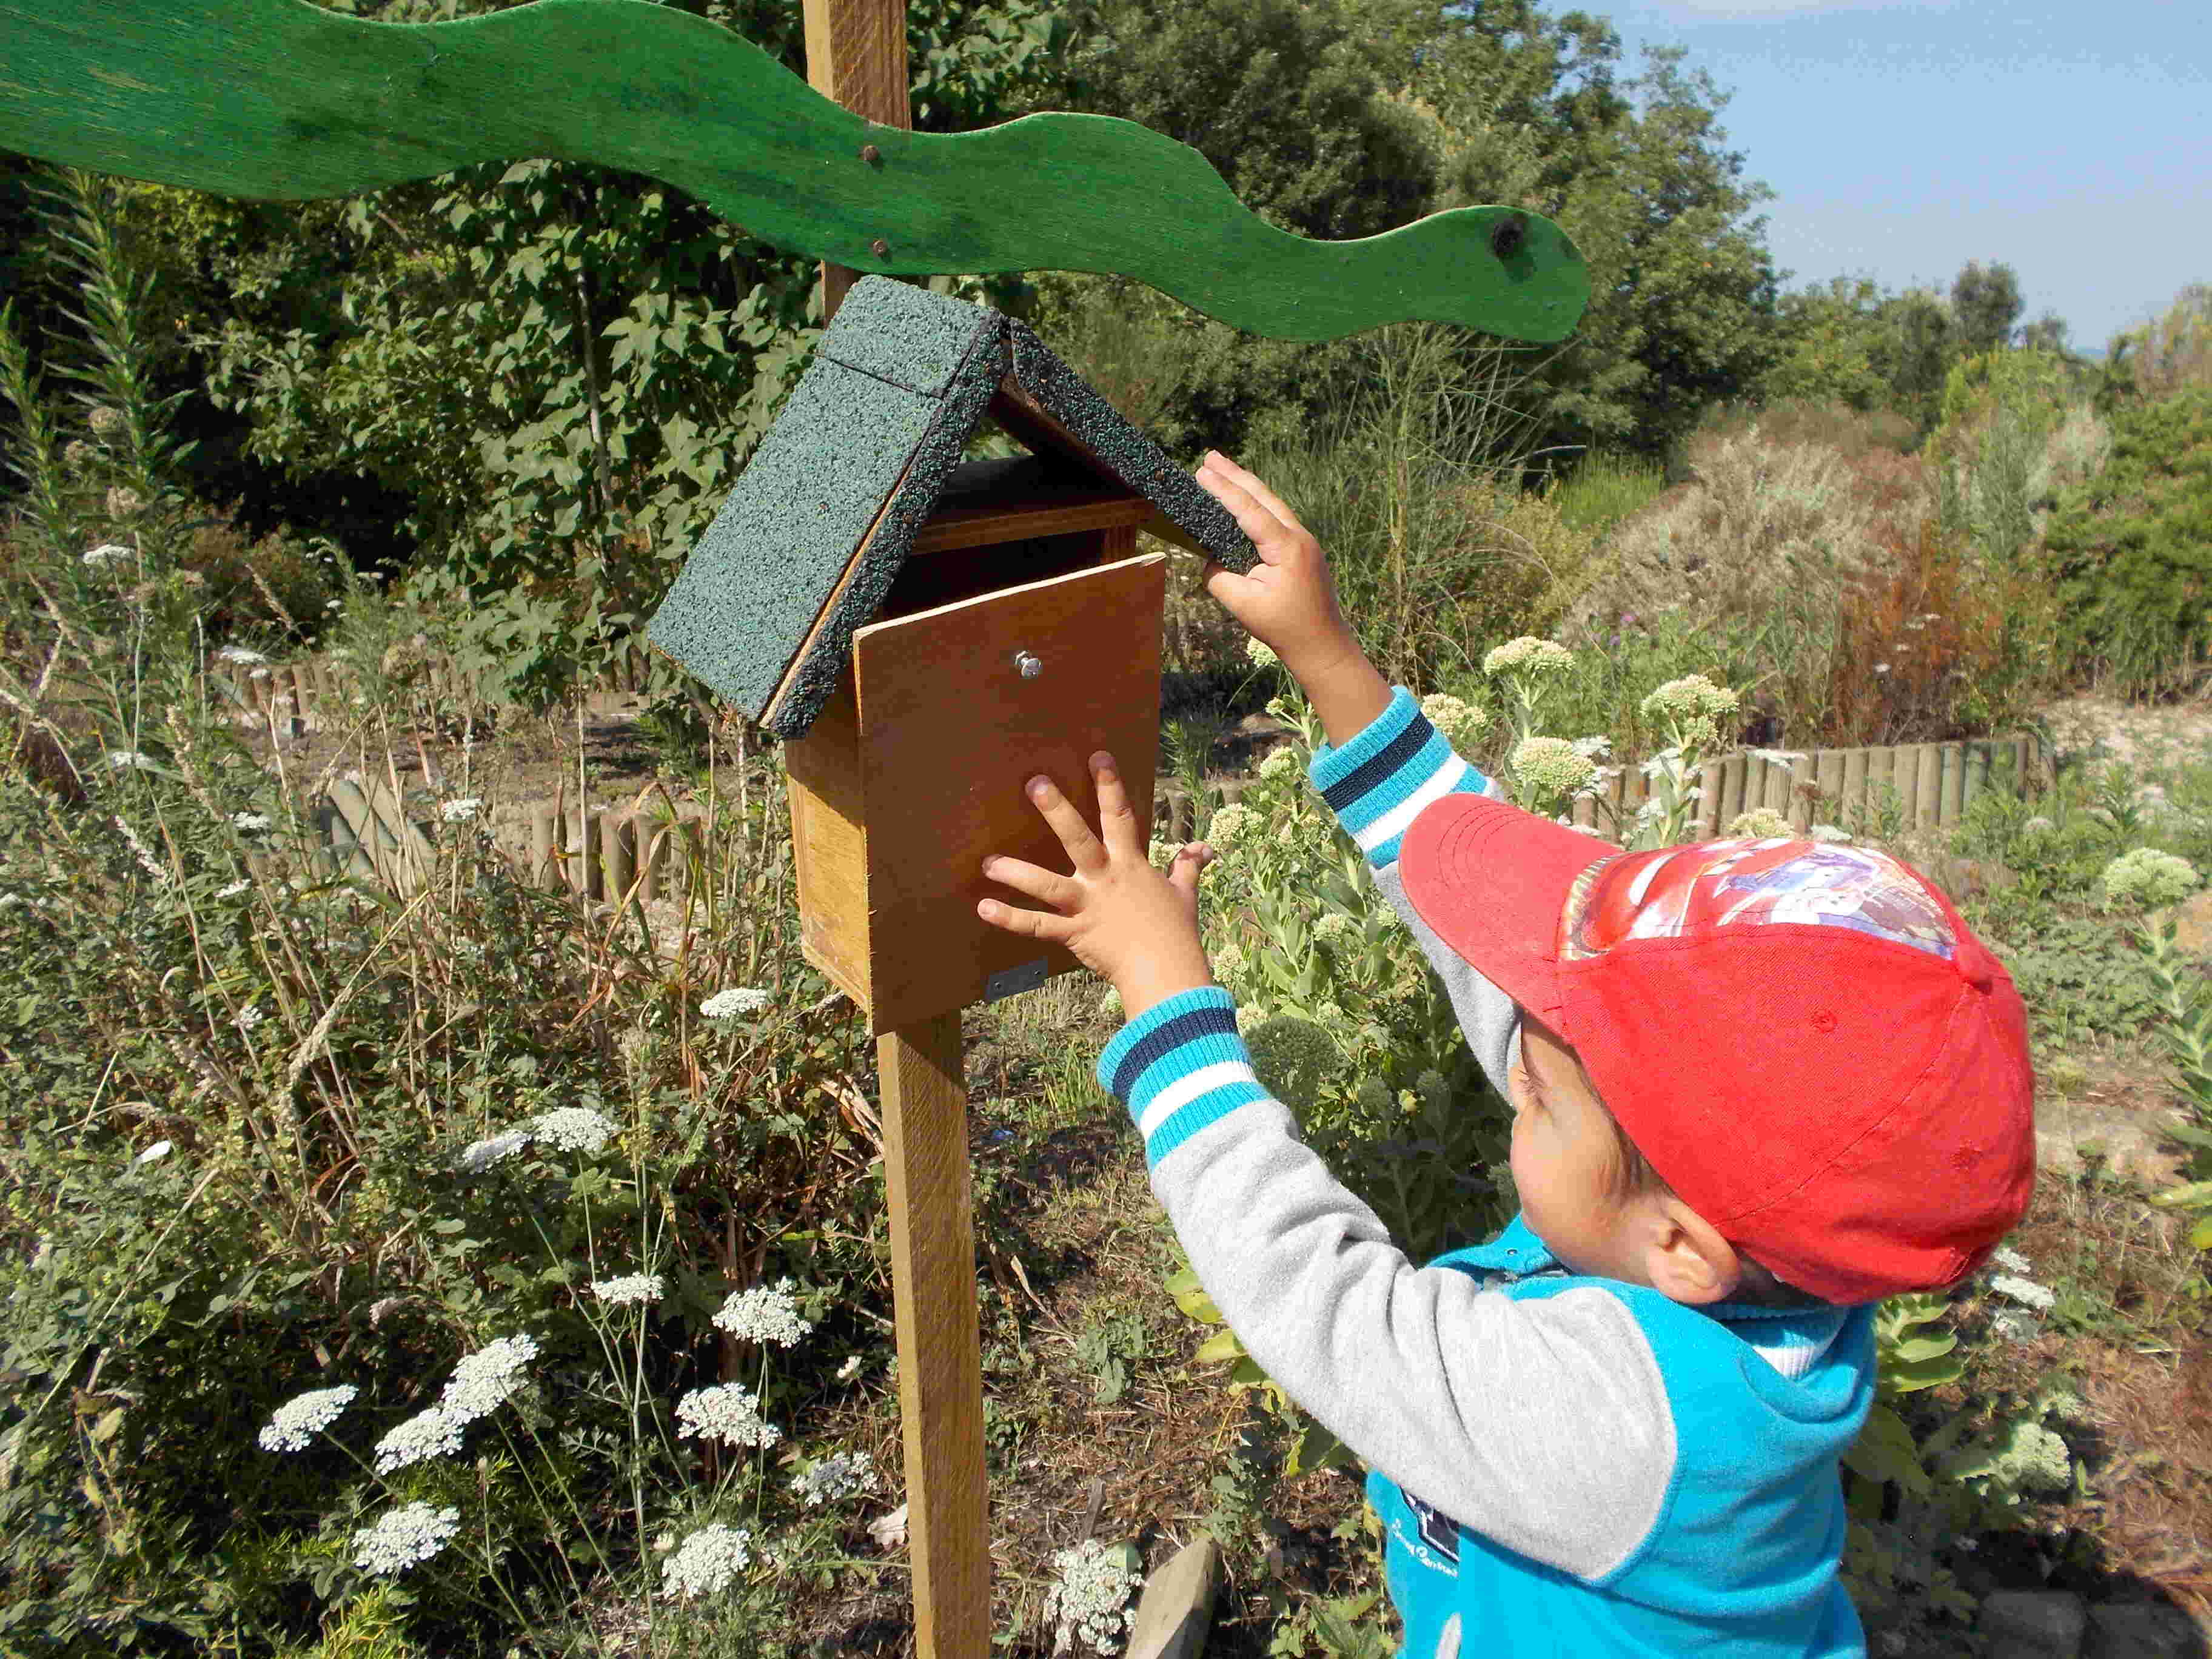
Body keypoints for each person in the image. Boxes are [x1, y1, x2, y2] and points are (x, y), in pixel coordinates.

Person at [973, 451, 2036, 1658]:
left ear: (1683, 1248)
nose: (1512, 1069)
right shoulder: (1767, 1250)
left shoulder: (1630, 1430)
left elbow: (1323, 1304)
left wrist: (1164, 992)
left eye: (1537, 1099)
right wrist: (1328, 662)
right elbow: (1526, 997)